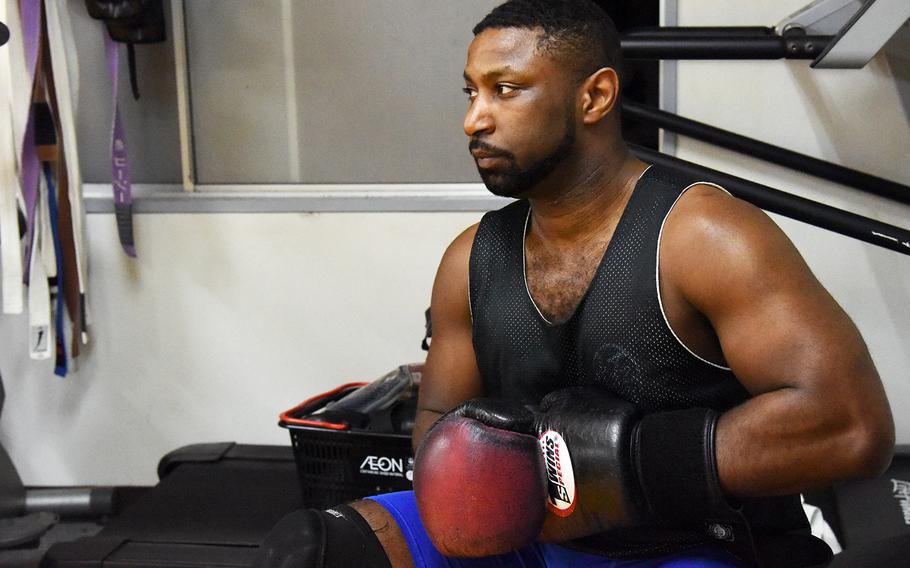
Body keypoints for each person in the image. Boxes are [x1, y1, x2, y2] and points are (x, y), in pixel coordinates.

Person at [255, 1, 894, 566]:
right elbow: (436, 425)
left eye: (507, 89)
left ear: (594, 97)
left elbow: (851, 426)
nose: (474, 120)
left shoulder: (702, 235)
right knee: (314, 552)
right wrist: (478, 472)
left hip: (693, 541)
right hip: (529, 537)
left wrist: (629, 464)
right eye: (471, 92)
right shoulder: (471, 259)